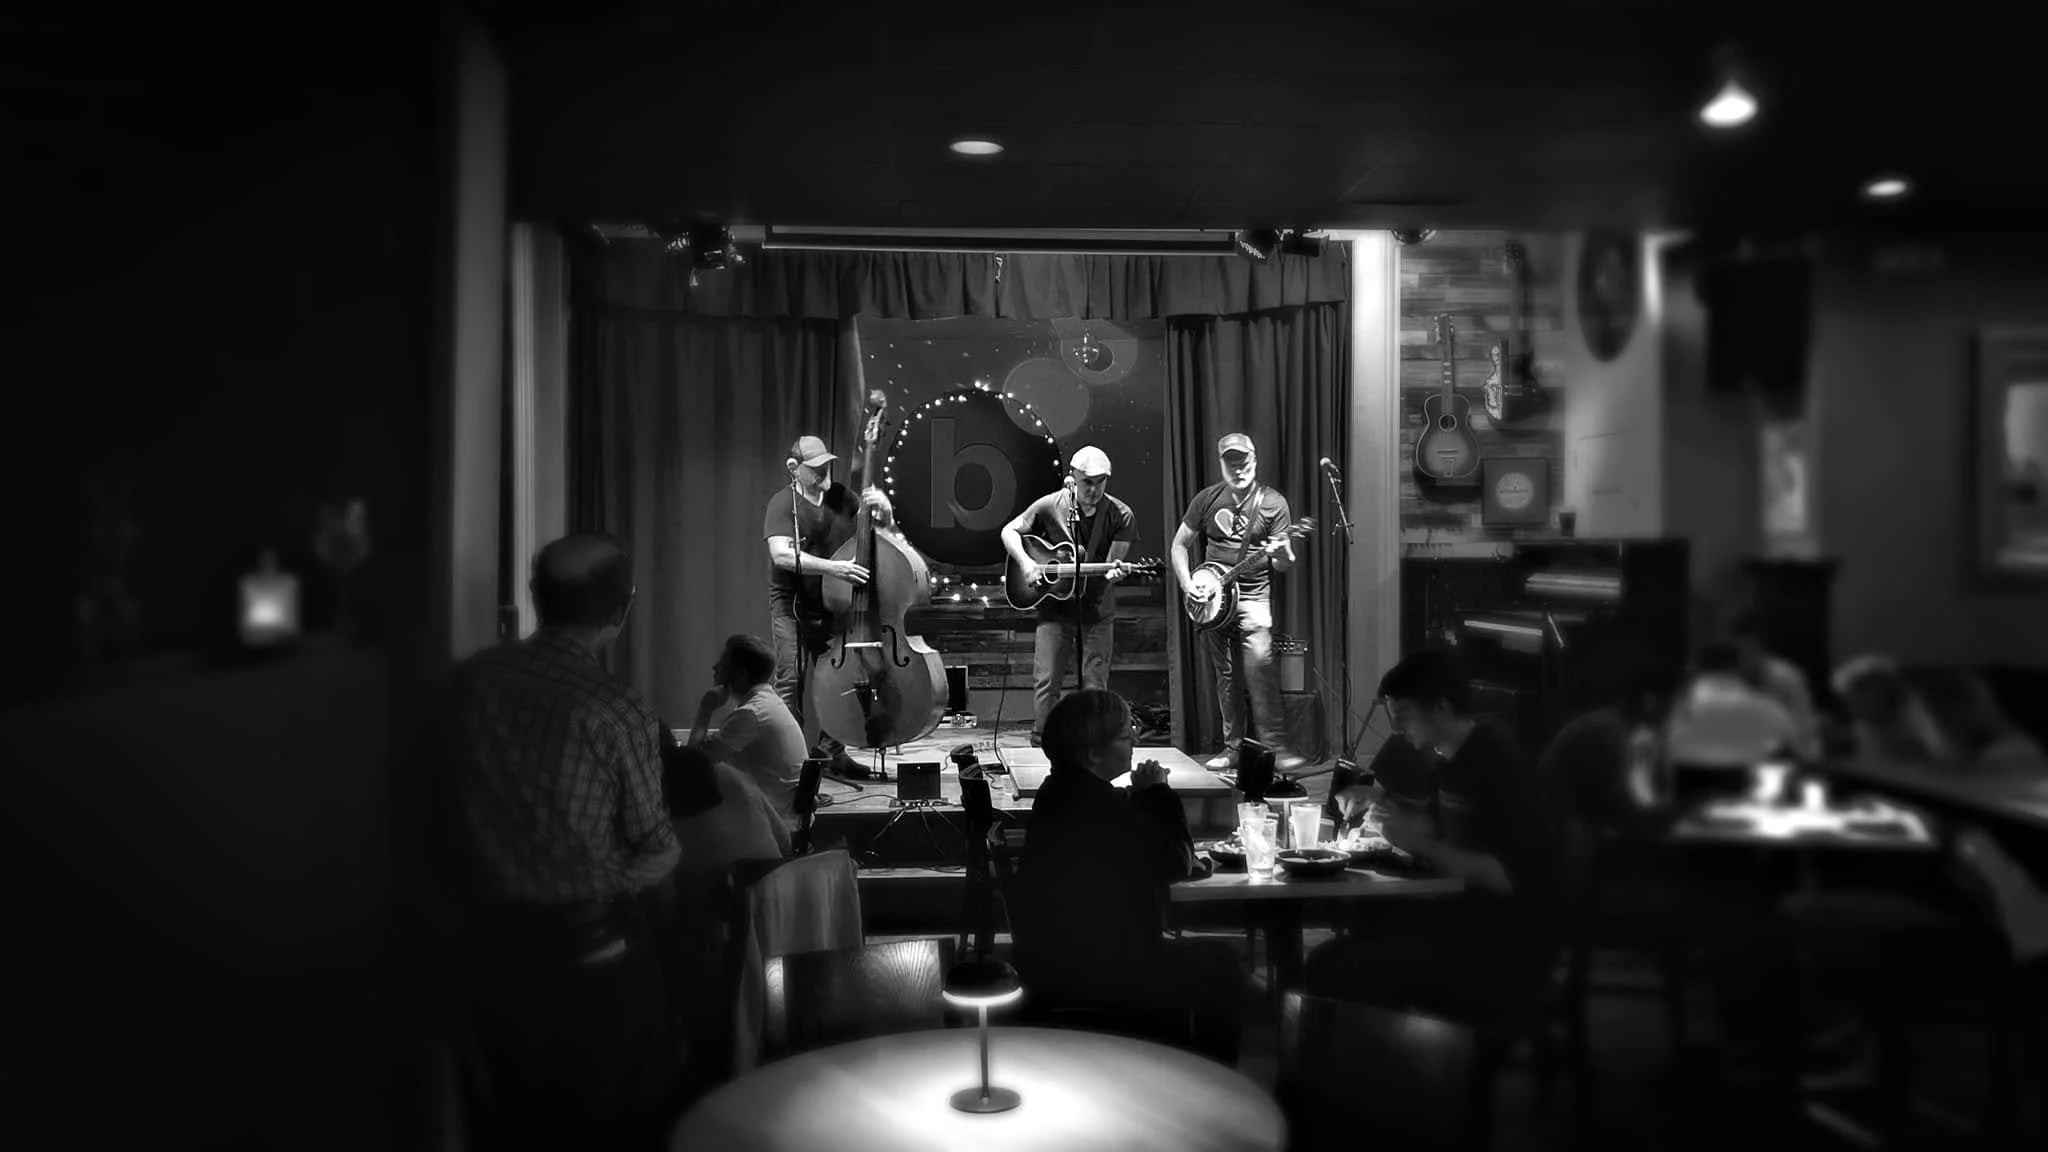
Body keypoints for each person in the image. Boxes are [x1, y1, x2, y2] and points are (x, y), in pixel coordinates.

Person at [442, 532, 682, 1152]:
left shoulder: (470, 682)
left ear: (535, 597)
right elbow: (653, 846)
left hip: (479, 947)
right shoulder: (614, 708)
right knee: (613, 1119)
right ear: (622, 611)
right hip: (587, 958)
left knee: (509, 1120)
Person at [1312, 649, 1563, 1023]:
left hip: (1502, 943)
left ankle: (1406, 1063)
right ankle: (1388, 1059)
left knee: (1338, 964)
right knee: (1352, 938)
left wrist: (1417, 843)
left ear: (1441, 708)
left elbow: (1505, 875)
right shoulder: (1450, 758)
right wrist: (1379, 800)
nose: (1397, 730)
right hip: (1462, 921)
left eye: (1404, 718)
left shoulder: (1496, 761)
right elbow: (1440, 825)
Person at [1013, 690, 1246, 1063]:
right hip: (1097, 970)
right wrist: (1157, 794)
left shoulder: (1062, 790)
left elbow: (1135, 843)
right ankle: (1207, 1072)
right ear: (1092, 753)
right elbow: (1177, 860)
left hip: (1058, 959)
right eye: (1125, 736)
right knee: (1221, 964)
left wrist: (1143, 801)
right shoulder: (1094, 806)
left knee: (1212, 960)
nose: (1136, 740)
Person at [1171, 432, 1305, 773]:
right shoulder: (1207, 499)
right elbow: (1179, 546)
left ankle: (1275, 750)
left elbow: (1283, 565)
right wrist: (1189, 586)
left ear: (1255, 460)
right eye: (1230, 462)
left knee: (1259, 672)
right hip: (1213, 600)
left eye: (1243, 461)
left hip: (1254, 598)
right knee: (1226, 676)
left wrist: (1284, 551)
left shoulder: (1273, 503)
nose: (1238, 468)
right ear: (1221, 464)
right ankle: (1232, 748)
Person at [762, 433, 893, 776]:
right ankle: (791, 765)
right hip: (791, 606)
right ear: (794, 469)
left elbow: (874, 527)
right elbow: (780, 554)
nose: (824, 473)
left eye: (827, 465)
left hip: (832, 605)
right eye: (816, 468)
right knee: (791, 680)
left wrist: (885, 513)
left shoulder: (840, 497)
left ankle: (832, 754)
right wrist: (833, 568)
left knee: (840, 682)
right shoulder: (782, 504)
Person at [999, 445, 1138, 745]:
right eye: (1087, 481)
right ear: (1072, 477)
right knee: (1047, 680)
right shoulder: (1051, 505)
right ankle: (1044, 741)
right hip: (1055, 608)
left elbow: (1111, 566)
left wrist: (1114, 573)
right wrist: (1026, 563)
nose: (1094, 489)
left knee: (1095, 684)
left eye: (1100, 481)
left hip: (1097, 609)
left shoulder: (1121, 515)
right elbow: (1009, 531)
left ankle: (1093, 745)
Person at [688, 633, 810, 832]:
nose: (715, 668)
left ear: (740, 674)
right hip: (785, 818)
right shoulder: (767, 703)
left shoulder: (749, 714)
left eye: (723, 662)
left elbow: (691, 767)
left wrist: (706, 708)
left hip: (774, 828)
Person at [1726, 609, 1822, 756]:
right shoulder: (1724, 684)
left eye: (1748, 649)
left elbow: (1805, 731)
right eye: (1736, 652)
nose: (1743, 658)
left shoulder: (1787, 678)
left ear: (1760, 646)